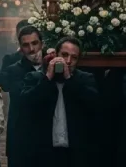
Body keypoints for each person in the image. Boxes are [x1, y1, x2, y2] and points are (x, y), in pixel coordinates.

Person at [20, 37, 99, 167]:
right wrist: (47, 78)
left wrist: (69, 79)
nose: (68, 61)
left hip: (76, 153)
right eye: (64, 55)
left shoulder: (85, 79)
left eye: (74, 57)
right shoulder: (35, 77)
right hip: (43, 152)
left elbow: (93, 104)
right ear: (55, 55)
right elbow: (26, 105)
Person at [0, 25, 43, 167]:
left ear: (42, 44)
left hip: (46, 139)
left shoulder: (51, 65)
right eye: (26, 45)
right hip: (21, 139)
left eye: (35, 43)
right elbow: (23, 96)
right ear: (21, 48)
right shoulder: (13, 70)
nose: (31, 49)